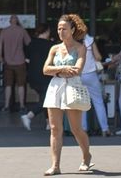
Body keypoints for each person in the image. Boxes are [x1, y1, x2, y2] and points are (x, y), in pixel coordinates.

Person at [40, 14, 95, 176]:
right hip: (55, 88)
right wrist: (63, 70)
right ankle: (55, 166)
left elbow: (77, 69)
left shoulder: (80, 48)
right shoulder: (54, 48)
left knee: (76, 128)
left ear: (72, 29)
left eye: (64, 28)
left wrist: (56, 70)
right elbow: (45, 69)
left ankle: (86, 156)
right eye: (58, 28)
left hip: (72, 88)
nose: (60, 31)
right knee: (55, 128)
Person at [20, 24, 53, 131]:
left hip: (33, 75)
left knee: (43, 98)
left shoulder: (31, 44)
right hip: (45, 75)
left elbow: (27, 59)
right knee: (47, 99)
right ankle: (29, 116)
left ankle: (48, 123)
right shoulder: (50, 45)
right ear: (47, 32)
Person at [79, 28, 111, 137]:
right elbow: (98, 57)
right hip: (91, 75)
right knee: (98, 102)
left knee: (82, 104)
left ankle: (84, 129)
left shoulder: (72, 40)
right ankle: (105, 129)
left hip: (79, 76)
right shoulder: (90, 40)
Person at [0, 15, 31, 114]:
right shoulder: (22, 30)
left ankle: (6, 105)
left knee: (8, 85)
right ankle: (22, 105)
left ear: (9, 21)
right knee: (21, 85)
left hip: (8, 61)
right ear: (17, 21)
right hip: (20, 61)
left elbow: (0, 44)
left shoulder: (4, 31)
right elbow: (29, 43)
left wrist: (0, 56)